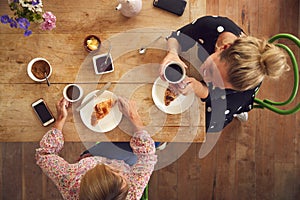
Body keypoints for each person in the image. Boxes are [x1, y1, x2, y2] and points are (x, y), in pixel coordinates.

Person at [160, 15, 289, 133]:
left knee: (209, 121)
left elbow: (213, 94)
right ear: (224, 47)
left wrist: (198, 87)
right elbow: (177, 36)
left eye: (220, 84)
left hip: (235, 100)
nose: (206, 78)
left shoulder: (243, 88)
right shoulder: (212, 26)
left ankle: (237, 111)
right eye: (211, 70)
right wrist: (172, 52)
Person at [35, 97, 157, 200]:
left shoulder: (69, 180)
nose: (122, 170)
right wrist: (133, 117)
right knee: (155, 139)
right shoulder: (131, 193)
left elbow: (45, 154)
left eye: (113, 171)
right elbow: (147, 158)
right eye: (121, 176)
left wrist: (60, 119)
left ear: (88, 175)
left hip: (94, 156)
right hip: (123, 158)